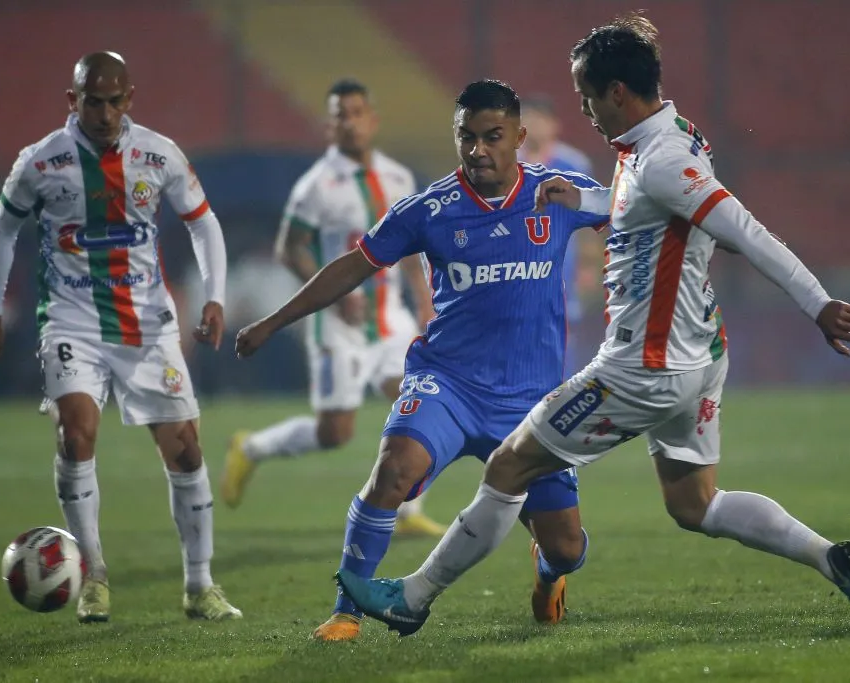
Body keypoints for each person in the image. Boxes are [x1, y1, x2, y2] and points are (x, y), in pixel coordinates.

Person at [335, 13, 850, 635]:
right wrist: (586, 201)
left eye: (586, 95)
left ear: (617, 93)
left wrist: (818, 304)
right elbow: (654, 206)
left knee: (506, 468)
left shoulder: (658, 160)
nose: (583, 110)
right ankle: (830, 557)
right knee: (696, 504)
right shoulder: (672, 136)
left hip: (641, 368)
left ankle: (411, 598)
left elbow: (742, 230)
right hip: (702, 357)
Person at [235, 79, 611, 641]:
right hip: (449, 384)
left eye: (492, 137)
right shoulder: (429, 209)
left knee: (567, 545)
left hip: (531, 400)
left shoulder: (559, 194)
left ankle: (548, 571)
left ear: (519, 138)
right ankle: (346, 610)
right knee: (393, 468)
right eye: (467, 137)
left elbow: (632, 208)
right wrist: (271, 322)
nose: (478, 149)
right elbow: (353, 266)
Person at [0, 51, 241, 623]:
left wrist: (214, 296)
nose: (104, 111)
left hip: (147, 325)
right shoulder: (42, 161)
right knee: (76, 432)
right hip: (71, 321)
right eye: (92, 100)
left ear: (129, 99)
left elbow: (203, 222)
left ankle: (199, 585)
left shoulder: (158, 153)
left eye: (114, 100)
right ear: (74, 101)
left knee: (186, 448)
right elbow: (2, 231)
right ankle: (93, 575)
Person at [220, 79, 444, 538]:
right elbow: (289, 248)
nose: (350, 121)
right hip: (335, 325)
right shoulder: (315, 185)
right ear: (329, 125)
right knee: (335, 433)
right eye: (341, 114)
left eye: (358, 111)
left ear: (373, 119)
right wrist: (336, 296)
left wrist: (424, 302)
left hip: (388, 319)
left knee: (421, 405)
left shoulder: (398, 177)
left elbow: (407, 247)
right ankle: (253, 447)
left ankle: (406, 513)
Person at [520, 97, 597, 376]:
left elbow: (591, 218)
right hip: (516, 266)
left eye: (540, 119)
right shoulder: (506, 163)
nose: (533, 126)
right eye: (527, 119)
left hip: (561, 266)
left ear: (555, 126)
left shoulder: (574, 164)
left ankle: (560, 401)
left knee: (561, 340)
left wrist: (588, 266)